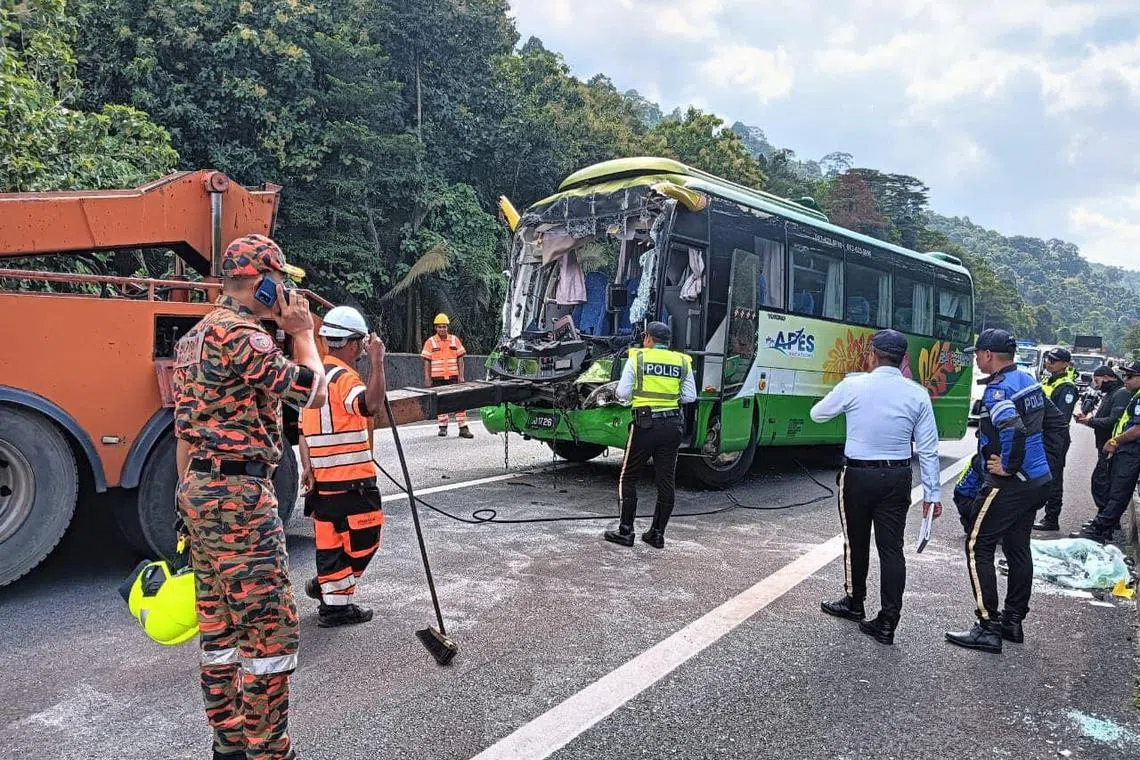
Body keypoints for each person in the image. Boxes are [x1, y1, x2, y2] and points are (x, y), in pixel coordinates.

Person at [172, 234, 327, 760]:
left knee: (218, 627)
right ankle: (268, 750)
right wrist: (302, 334)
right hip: (238, 495)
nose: (284, 290)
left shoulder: (192, 338)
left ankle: (229, 743)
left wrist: (185, 503)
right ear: (261, 279)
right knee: (269, 631)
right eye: (281, 280)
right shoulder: (242, 336)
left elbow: (183, 434)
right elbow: (310, 389)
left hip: (199, 488)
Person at [810, 329, 942, 645]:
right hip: (898, 478)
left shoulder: (854, 384)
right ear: (905, 360)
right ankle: (887, 622)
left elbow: (818, 414)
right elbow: (928, 447)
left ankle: (855, 602)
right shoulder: (918, 394)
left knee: (856, 542)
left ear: (871, 355)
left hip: (857, 476)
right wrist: (932, 494)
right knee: (891, 549)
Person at [946, 329, 1051, 655]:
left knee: (978, 546)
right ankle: (1012, 621)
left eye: (978, 354)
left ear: (989, 355)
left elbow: (1013, 430)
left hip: (1010, 483)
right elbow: (1055, 422)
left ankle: (987, 626)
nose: (976, 359)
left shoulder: (998, 390)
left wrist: (1008, 465)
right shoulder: (1027, 381)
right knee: (1019, 549)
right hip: (1036, 480)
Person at [298, 305, 387, 628]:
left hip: (322, 485)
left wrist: (307, 467)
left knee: (331, 544)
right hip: (351, 484)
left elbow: (302, 431)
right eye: (362, 344)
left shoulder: (314, 380)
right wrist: (378, 363)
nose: (363, 350)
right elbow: (370, 405)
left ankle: (334, 607)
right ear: (351, 344)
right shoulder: (344, 378)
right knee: (366, 539)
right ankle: (328, 587)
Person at [604, 321, 697, 549]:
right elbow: (690, 397)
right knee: (665, 480)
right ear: (668, 342)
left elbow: (623, 393)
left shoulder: (638, 358)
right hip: (673, 426)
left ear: (647, 339)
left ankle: (626, 531)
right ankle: (657, 534)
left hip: (645, 425)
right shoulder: (682, 361)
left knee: (629, 476)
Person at [1073, 361, 1140, 543]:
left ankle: (1100, 529)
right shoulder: (1132, 395)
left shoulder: (1127, 395)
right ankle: (1103, 526)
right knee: (1112, 488)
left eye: (1130, 376)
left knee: (1117, 491)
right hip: (1124, 449)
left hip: (1131, 450)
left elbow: (1136, 429)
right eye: (1125, 375)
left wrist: (1114, 441)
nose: (1125, 379)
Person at [1033, 347, 1079, 531]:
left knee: (1053, 477)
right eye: (1048, 359)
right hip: (1042, 434)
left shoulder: (1066, 387)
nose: (1049, 362)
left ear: (1066, 364)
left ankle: (1051, 517)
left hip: (1055, 437)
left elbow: (1061, 417)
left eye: (1054, 360)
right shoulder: (1049, 380)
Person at [421, 313, 473, 439]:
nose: (442, 329)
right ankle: (443, 427)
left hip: (453, 377)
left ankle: (463, 427)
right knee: (441, 403)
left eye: (444, 327)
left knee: (459, 401)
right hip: (437, 378)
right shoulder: (430, 342)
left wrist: (461, 376)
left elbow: (460, 359)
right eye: (440, 327)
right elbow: (427, 362)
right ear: (436, 328)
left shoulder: (454, 340)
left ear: (447, 327)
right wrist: (427, 380)